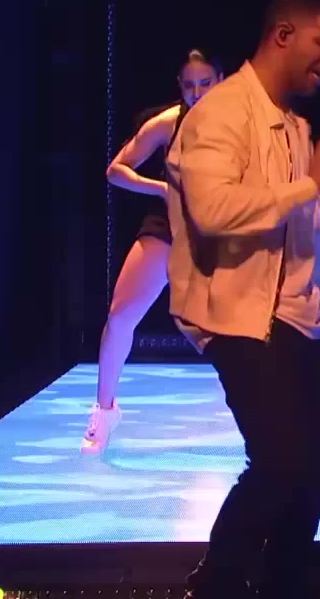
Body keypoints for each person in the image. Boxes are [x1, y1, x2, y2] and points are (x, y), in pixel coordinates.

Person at [164, 0, 320, 599]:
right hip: (238, 313)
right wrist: (305, 186)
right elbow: (213, 211)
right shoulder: (220, 114)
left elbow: (300, 214)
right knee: (280, 460)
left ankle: (281, 581)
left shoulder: (293, 123)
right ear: (283, 35)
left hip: (295, 313)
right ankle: (215, 583)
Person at [81, 50, 225, 456]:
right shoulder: (168, 122)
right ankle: (104, 411)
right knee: (120, 315)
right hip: (167, 224)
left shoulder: (242, 124)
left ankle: (265, 410)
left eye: (205, 83)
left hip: (220, 228)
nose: (197, 92)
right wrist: (161, 189)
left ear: (221, 79)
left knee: (236, 325)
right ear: (180, 86)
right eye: (189, 85)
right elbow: (116, 170)